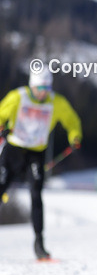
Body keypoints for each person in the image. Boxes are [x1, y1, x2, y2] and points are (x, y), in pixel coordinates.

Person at [0, 68, 82, 260]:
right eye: (39, 88)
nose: (43, 92)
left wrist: (75, 135)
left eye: (46, 87)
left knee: (36, 194)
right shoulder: (18, 97)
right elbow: (1, 114)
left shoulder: (56, 102)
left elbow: (72, 120)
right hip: (14, 150)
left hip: (36, 153)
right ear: (32, 85)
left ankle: (39, 244)